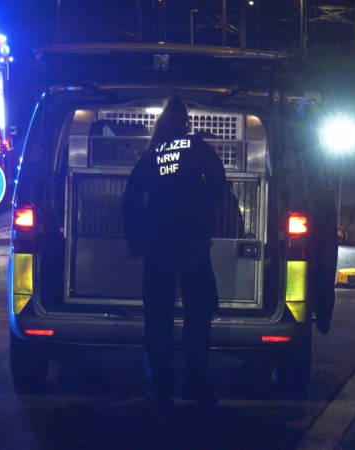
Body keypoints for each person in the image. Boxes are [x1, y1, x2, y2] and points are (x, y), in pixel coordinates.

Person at [122, 97, 226, 406]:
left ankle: (159, 385)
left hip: (157, 243)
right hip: (191, 240)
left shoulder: (152, 153)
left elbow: (130, 198)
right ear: (185, 121)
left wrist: (134, 239)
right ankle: (193, 383)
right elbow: (219, 180)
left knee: (157, 316)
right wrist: (206, 208)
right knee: (198, 314)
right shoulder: (197, 147)